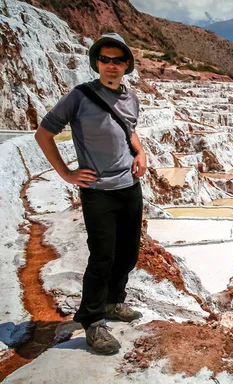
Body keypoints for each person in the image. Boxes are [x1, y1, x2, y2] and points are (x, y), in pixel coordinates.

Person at [35, 33, 147, 355]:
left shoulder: (131, 98)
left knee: (128, 253)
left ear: (127, 65)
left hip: (129, 187)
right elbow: (44, 133)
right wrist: (66, 172)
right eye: (105, 60)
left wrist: (140, 154)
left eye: (118, 60)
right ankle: (93, 320)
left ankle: (114, 302)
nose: (111, 66)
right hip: (98, 192)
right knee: (102, 256)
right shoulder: (80, 97)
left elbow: (131, 130)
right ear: (96, 62)